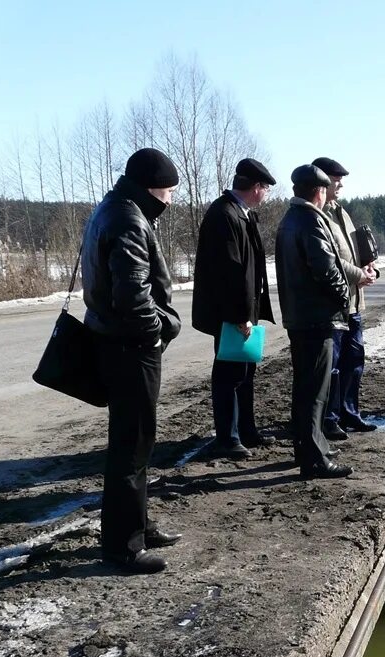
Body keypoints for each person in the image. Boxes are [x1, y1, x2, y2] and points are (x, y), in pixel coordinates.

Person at [82, 148, 183, 574]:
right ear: (151, 187)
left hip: (119, 344)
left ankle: (137, 523)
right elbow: (133, 295)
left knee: (135, 444)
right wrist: (156, 334)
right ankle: (124, 547)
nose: (172, 199)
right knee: (131, 445)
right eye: (169, 191)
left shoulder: (114, 208)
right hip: (130, 349)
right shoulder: (127, 218)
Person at [192, 158, 277, 459]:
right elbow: (229, 270)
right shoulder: (224, 214)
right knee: (229, 374)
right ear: (256, 188)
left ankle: (246, 430)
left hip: (242, 312)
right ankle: (228, 438)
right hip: (231, 314)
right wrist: (240, 316)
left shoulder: (240, 214)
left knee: (245, 370)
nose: (266, 194)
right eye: (265, 188)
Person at [274, 164, 353, 479]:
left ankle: (310, 447)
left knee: (305, 388)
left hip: (299, 316)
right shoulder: (310, 221)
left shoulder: (290, 219)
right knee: (315, 391)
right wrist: (343, 296)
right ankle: (314, 458)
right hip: (315, 317)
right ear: (319, 192)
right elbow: (325, 268)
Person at [313, 156, 378, 440]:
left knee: (355, 360)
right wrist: (357, 274)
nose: (340, 185)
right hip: (334, 305)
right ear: (321, 181)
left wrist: (369, 267)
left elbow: (351, 252)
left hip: (353, 303)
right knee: (333, 365)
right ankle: (330, 418)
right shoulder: (316, 215)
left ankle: (350, 413)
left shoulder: (341, 212)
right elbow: (331, 260)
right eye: (336, 180)